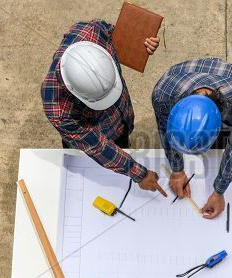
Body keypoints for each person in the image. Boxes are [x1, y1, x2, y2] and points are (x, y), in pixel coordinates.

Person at [41, 20, 166, 196]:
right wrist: (139, 173)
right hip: (99, 136)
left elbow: (117, 34)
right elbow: (98, 147)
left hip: (121, 120)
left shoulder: (91, 31)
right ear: (74, 92)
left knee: (124, 142)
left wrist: (141, 43)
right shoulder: (58, 110)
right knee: (87, 172)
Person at [152, 57, 232, 218]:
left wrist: (219, 191)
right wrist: (177, 170)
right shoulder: (163, 94)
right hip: (184, 74)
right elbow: (164, 130)